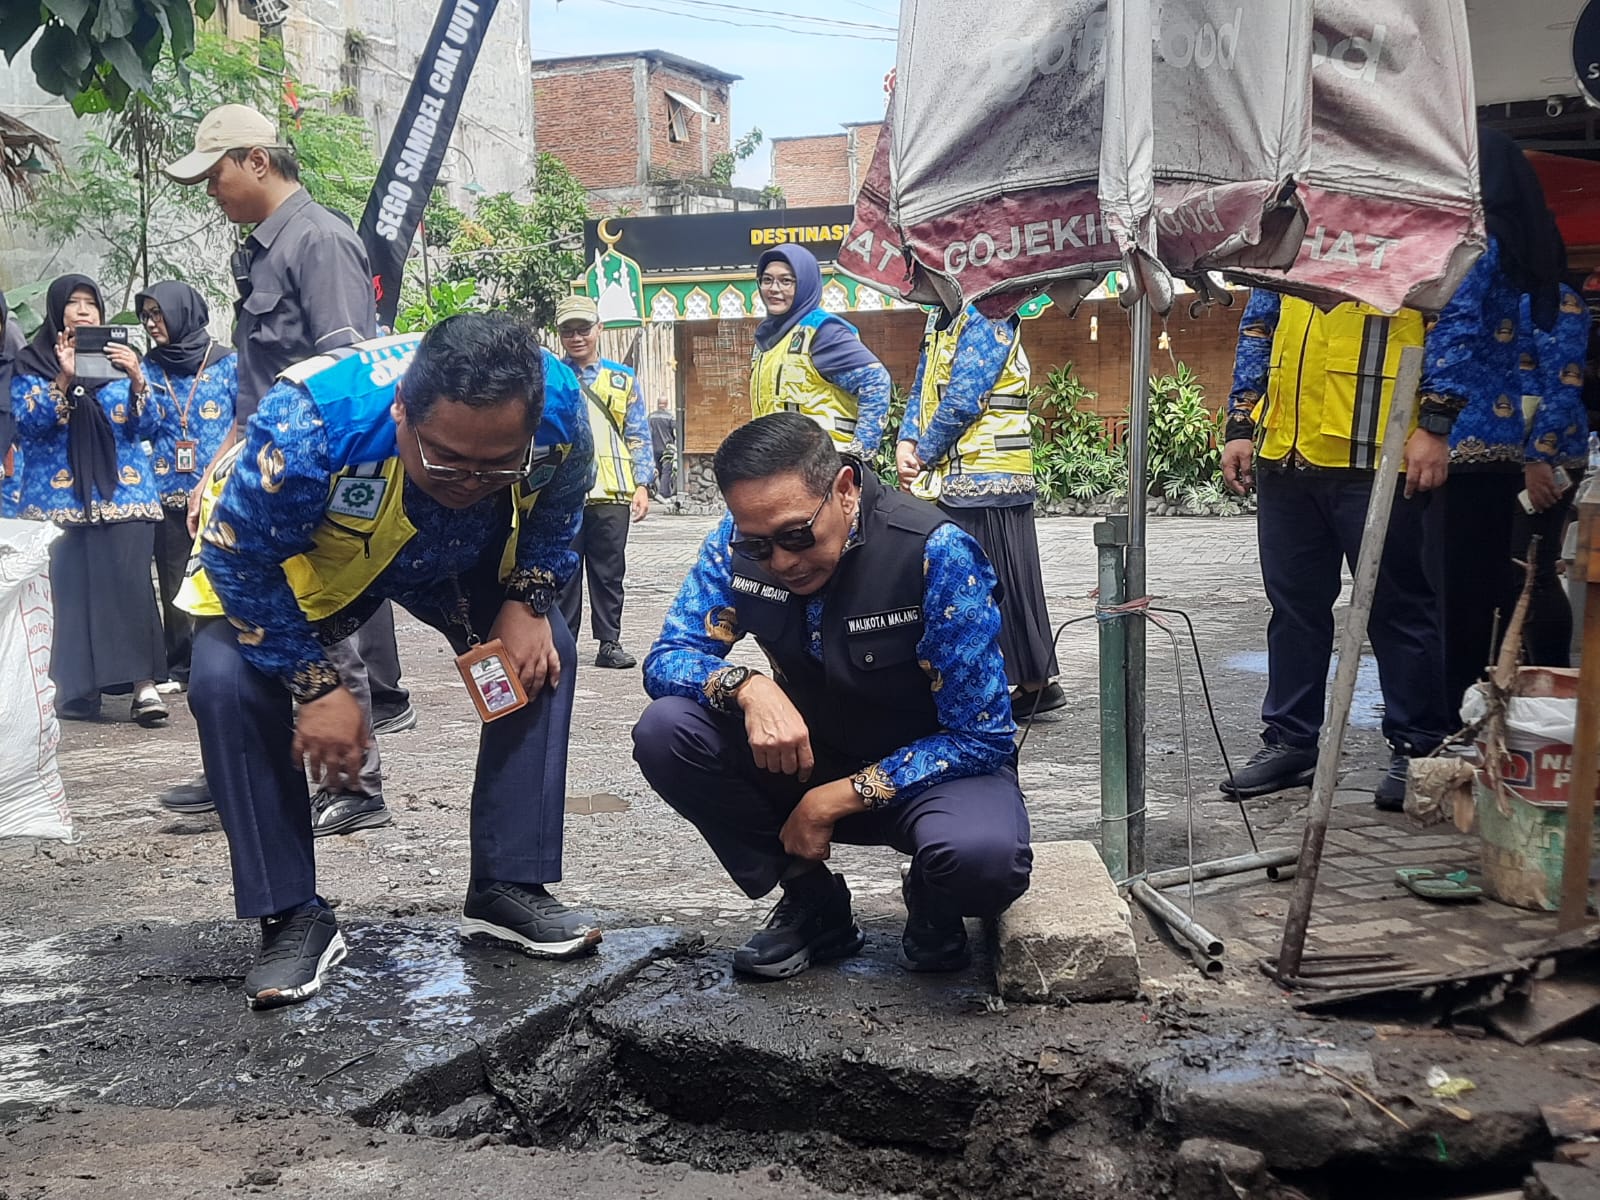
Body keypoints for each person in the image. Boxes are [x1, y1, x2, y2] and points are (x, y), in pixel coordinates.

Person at [176, 313, 597, 1010]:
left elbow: (561, 500)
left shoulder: (554, 399)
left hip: (454, 554)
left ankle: (506, 883)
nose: (470, 479)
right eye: (447, 459)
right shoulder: (311, 426)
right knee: (224, 683)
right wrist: (315, 686)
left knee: (544, 657)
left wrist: (528, 597)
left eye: (499, 463)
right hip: (309, 557)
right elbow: (238, 561)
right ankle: (291, 913)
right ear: (402, 410)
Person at [632, 413, 1031, 979]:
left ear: (844, 491)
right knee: (666, 730)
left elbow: (983, 734)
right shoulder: (734, 545)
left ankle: (932, 897)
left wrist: (835, 799)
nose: (782, 561)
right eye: (758, 542)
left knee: (982, 860)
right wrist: (746, 685)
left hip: (931, 774)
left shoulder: (933, 550)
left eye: (797, 537)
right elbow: (668, 656)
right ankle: (812, 903)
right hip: (805, 758)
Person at [164, 103, 400, 828]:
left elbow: (349, 372)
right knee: (233, 611)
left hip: (313, 471)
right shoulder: (261, 247)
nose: (211, 192)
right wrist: (217, 470)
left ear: (257, 161)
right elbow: (256, 384)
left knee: (323, 620)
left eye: (216, 175)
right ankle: (241, 761)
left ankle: (356, 788)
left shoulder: (319, 241)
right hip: (257, 463)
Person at [1219, 290, 1451, 809]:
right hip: (1287, 452)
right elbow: (1258, 330)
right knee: (1293, 609)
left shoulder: (1406, 225)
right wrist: (1240, 421)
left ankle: (1418, 745)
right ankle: (1291, 741)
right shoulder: (1283, 237)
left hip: (1376, 455)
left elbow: (1451, 326)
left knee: (1398, 607)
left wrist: (1436, 422)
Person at [1423, 128, 1569, 712]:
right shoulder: (1518, 248)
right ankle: (1485, 712)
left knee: (1448, 601)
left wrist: (1431, 423)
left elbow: (1452, 339)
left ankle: (1449, 723)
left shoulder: (1472, 247)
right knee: (1488, 593)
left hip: (1453, 446)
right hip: (1499, 449)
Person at [10, 275, 169, 726]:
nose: (83, 311)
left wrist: (138, 379)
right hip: (58, 501)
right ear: (56, 311)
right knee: (70, 595)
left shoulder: (124, 362)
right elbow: (30, 425)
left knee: (131, 588)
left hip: (126, 495)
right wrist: (63, 377)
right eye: (73, 304)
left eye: (91, 304)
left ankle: (144, 688)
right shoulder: (31, 363)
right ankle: (77, 692)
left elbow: (148, 429)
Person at [895, 303, 1064, 715]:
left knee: (986, 584)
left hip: (988, 475)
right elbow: (922, 387)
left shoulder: (989, 316)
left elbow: (965, 398)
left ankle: (1011, 684)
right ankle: (1031, 683)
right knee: (994, 580)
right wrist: (906, 440)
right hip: (959, 475)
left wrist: (923, 453)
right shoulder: (940, 320)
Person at [136, 282, 237, 688]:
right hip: (165, 490)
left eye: (158, 314)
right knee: (174, 578)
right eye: (146, 315)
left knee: (220, 574)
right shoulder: (147, 366)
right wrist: (134, 382)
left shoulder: (228, 362)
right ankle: (181, 664)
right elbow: (139, 425)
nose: (151, 323)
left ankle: (227, 657)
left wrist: (211, 475)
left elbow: (242, 419)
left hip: (218, 491)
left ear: (182, 312)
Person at [554, 295, 655, 669]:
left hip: (612, 491)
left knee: (609, 572)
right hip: (562, 493)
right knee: (563, 570)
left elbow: (638, 434)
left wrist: (642, 484)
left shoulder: (621, 379)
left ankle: (608, 642)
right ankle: (563, 643)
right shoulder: (552, 377)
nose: (576, 337)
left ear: (600, 329)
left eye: (583, 329)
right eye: (568, 330)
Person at [749, 245, 892, 458]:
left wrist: (858, 454)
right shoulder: (767, 339)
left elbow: (876, 381)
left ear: (805, 284)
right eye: (767, 280)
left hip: (823, 466)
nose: (774, 288)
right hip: (783, 464)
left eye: (786, 281)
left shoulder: (823, 331)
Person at [648, 395, 676, 499]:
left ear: (658, 404)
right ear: (666, 404)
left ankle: (652, 491)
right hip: (667, 448)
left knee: (655, 470)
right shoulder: (670, 417)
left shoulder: (651, 416)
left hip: (653, 448)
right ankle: (664, 493)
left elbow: (647, 432)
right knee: (666, 471)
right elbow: (675, 431)